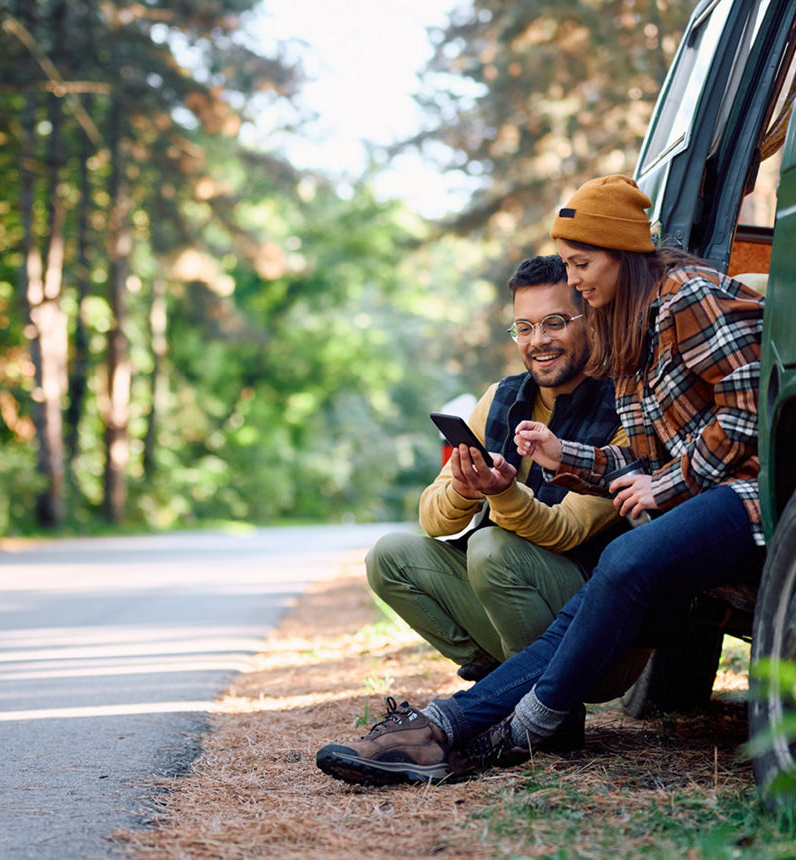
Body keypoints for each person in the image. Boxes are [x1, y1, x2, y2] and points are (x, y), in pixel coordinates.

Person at [316, 174, 766, 786]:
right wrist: (565, 456)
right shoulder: (627, 335)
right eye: (525, 326)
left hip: (751, 494)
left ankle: (478, 730)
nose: (576, 278)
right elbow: (632, 462)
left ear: (623, 255)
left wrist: (667, 484)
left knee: (619, 561)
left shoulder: (687, 293)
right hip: (702, 502)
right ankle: (458, 726)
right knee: (584, 593)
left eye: (582, 264)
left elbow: (751, 410)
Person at [368, 255, 628, 684]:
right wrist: (466, 490)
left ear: (591, 320)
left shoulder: (623, 405)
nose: (538, 340)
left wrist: (503, 493)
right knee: (389, 556)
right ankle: (503, 682)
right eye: (524, 328)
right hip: (507, 597)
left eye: (555, 322)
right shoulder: (500, 398)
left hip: (594, 621)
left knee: (491, 547)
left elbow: (567, 531)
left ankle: (544, 703)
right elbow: (431, 517)